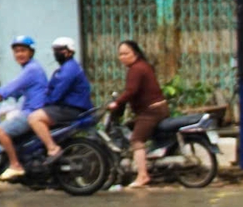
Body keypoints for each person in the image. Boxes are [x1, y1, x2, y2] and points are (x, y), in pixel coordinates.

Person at [0, 36, 47, 173]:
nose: (19, 54)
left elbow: (13, 86)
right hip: (31, 109)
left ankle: (15, 165)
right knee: (2, 116)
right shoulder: (30, 68)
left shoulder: (31, 69)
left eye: (23, 51)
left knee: (0, 130)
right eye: (17, 51)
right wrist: (0, 96)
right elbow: (18, 90)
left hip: (32, 111)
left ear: (31, 52)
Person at [105, 40, 168, 189]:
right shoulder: (142, 66)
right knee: (128, 127)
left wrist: (116, 103)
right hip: (155, 109)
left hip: (151, 111)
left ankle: (143, 175)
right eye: (120, 54)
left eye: (126, 53)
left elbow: (131, 91)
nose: (122, 57)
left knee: (136, 140)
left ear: (135, 53)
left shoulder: (136, 69)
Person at [28, 37, 93, 162]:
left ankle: (52, 149)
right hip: (68, 107)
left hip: (72, 108)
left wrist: (45, 104)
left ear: (69, 51)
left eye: (60, 50)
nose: (57, 53)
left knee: (34, 118)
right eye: (55, 50)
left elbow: (57, 93)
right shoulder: (66, 68)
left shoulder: (69, 69)